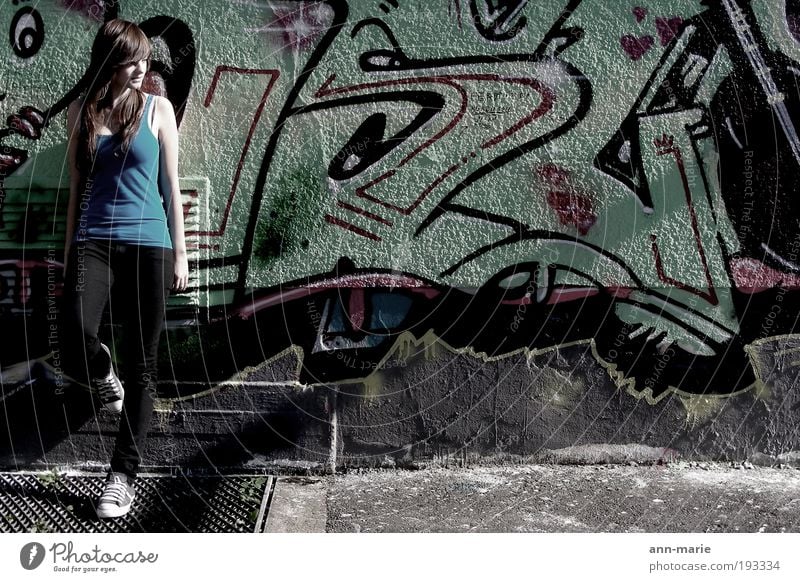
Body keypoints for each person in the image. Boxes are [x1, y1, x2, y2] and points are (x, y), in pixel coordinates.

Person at [61, 19, 188, 519]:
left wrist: (180, 252)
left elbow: (171, 187)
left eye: (144, 60)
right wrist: (70, 252)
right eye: (130, 60)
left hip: (148, 246)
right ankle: (99, 371)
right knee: (74, 329)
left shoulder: (159, 109)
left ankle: (123, 475)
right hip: (94, 242)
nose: (140, 69)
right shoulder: (82, 111)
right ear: (109, 61)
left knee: (144, 366)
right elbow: (76, 189)